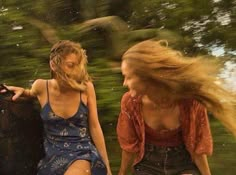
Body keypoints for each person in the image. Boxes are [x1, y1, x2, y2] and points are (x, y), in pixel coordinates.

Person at [116, 39, 236, 175]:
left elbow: (198, 148)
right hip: (147, 165)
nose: (124, 83)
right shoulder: (130, 102)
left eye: (128, 77)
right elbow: (129, 148)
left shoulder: (190, 101)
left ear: (146, 76)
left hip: (183, 164)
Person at [1, 40, 112, 175]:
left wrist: (107, 167)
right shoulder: (42, 87)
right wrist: (22, 92)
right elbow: (31, 93)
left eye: (79, 65)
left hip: (82, 152)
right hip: (52, 156)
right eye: (71, 65)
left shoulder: (86, 88)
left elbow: (95, 126)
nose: (77, 71)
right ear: (53, 65)